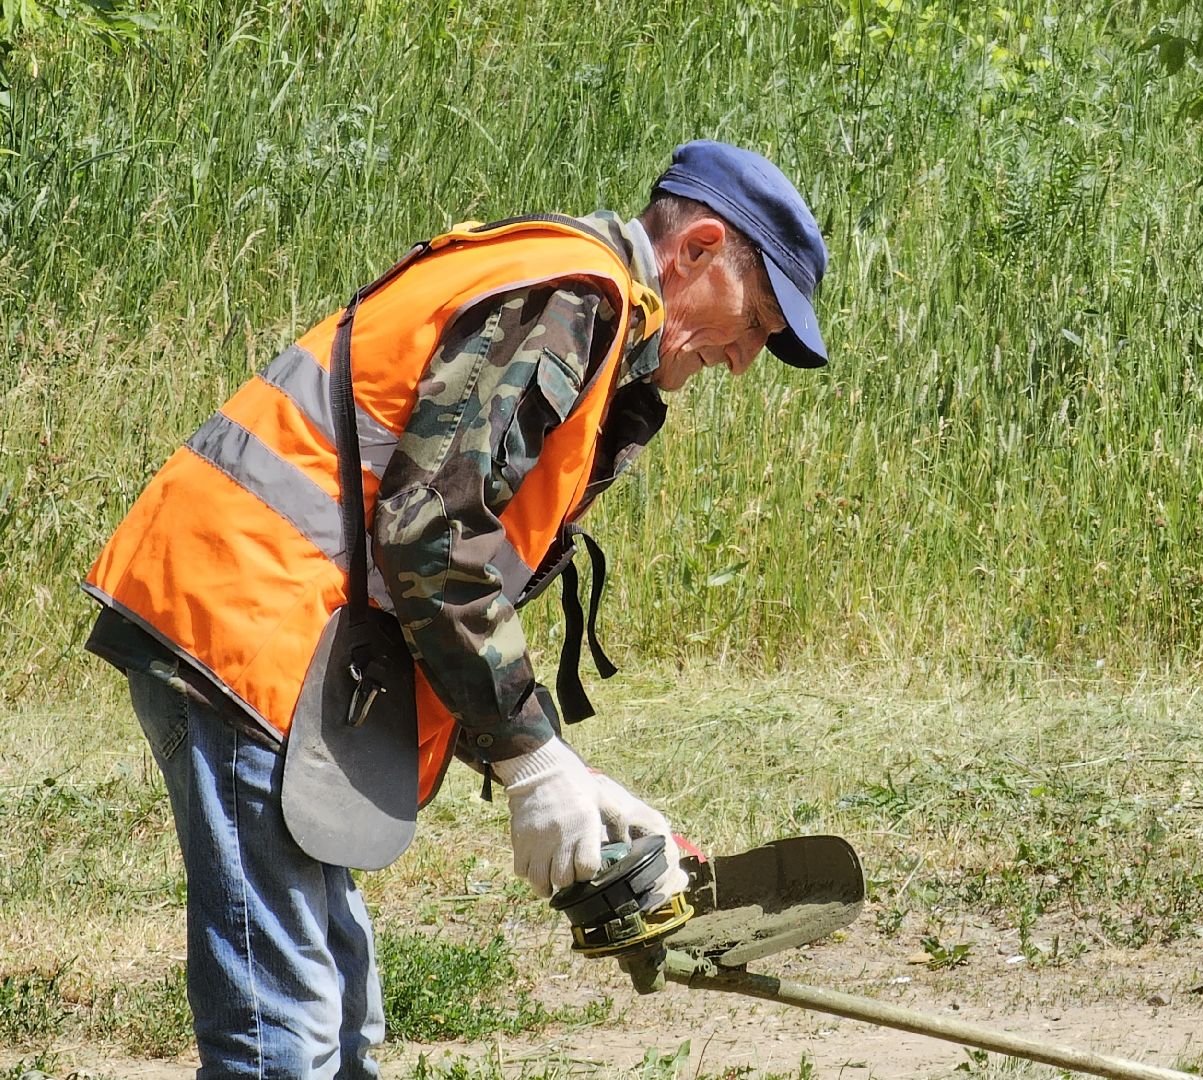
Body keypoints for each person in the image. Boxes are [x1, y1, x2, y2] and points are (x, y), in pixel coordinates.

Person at [80, 140, 830, 1078]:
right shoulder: (573, 302)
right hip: (242, 621)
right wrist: (529, 758)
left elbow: (435, 568)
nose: (744, 361)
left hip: (284, 632)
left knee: (342, 1018)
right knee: (287, 1033)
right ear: (698, 249)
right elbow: (430, 533)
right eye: (755, 322)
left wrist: (557, 762)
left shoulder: (585, 318)